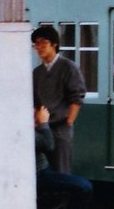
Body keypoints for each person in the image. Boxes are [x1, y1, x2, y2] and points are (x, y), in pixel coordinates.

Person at [31, 24, 86, 173]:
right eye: (36, 44)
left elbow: (77, 97)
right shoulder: (37, 73)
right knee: (41, 170)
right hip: (42, 129)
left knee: (61, 171)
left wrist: (68, 121)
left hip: (60, 129)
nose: (39, 47)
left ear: (54, 44)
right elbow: (35, 102)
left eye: (43, 43)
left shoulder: (68, 67)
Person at [34, 106, 92, 209]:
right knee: (84, 186)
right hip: (40, 175)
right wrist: (43, 123)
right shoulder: (25, 131)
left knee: (70, 184)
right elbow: (48, 144)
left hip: (41, 174)